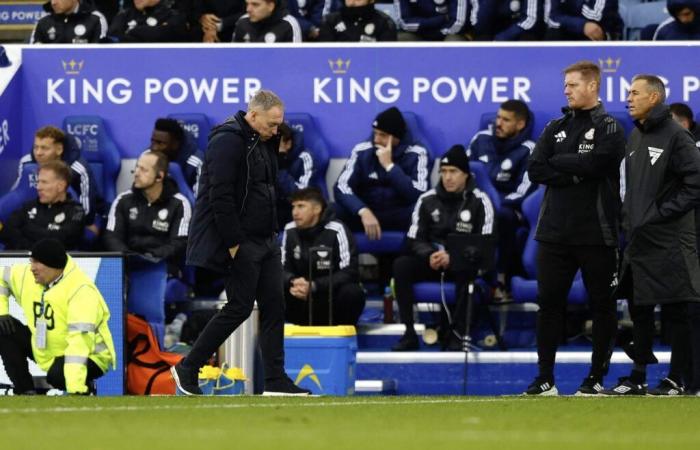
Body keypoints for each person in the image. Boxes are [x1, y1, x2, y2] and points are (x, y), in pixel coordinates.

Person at [171, 90, 310, 396]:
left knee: (275, 306)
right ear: (254, 114)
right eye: (272, 124)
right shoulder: (228, 140)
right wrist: (234, 244)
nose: (276, 130)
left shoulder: (262, 142)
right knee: (239, 307)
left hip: (266, 239)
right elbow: (219, 195)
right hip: (242, 241)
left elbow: (267, 188)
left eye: (279, 125)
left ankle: (275, 380)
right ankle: (188, 366)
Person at [525, 60, 625, 396]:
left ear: (593, 86)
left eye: (573, 85)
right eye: (565, 85)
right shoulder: (554, 126)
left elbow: (600, 163)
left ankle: (596, 378)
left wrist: (562, 163)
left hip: (597, 232)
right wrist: (575, 171)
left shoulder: (611, 126)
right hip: (554, 233)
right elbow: (536, 169)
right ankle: (545, 379)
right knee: (548, 304)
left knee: (602, 306)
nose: (566, 90)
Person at [606, 74, 700, 396]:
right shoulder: (635, 136)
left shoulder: (677, 136)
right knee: (639, 307)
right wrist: (630, 219)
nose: (628, 99)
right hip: (639, 238)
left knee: (676, 310)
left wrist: (660, 214)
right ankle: (638, 377)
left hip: (670, 238)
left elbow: (696, 183)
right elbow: (630, 188)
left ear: (654, 98)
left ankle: (678, 379)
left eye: (635, 93)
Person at [392, 145, 495, 351]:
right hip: (432, 261)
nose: (448, 177)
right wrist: (430, 254)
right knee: (401, 265)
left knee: (467, 271)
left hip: (463, 265)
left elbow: (486, 243)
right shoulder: (427, 199)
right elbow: (414, 238)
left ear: (466, 174)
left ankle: (457, 334)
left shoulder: (480, 201)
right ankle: (409, 334)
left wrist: (454, 257)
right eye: (444, 172)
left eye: (453, 172)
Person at [0, 239, 116, 395]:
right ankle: (25, 392)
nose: (31, 268)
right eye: (31, 261)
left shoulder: (81, 290)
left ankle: (87, 387)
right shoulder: (27, 276)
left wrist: (76, 387)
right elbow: (2, 276)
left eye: (37, 263)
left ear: (53, 265)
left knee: (58, 376)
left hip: (90, 355)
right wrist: (2, 310)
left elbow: (79, 342)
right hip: (47, 349)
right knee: (2, 327)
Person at [467, 99, 536, 295]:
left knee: (504, 217)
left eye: (506, 120)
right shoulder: (480, 139)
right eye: (498, 117)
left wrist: (492, 205)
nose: (498, 123)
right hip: (475, 202)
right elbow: (461, 171)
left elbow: (525, 192)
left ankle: (500, 277)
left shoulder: (529, 150)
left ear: (520, 124)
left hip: (509, 208)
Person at [334, 107, 431, 239]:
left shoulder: (417, 153)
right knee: (332, 210)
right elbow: (341, 187)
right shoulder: (362, 150)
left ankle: (410, 258)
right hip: (367, 214)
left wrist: (390, 166)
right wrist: (362, 210)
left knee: (424, 211)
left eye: (383, 135)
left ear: (397, 137)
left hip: (399, 215)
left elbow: (420, 195)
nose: (377, 140)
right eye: (375, 133)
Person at [282, 187, 366, 326]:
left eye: (301, 206)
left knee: (352, 292)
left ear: (317, 209)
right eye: (293, 207)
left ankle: (343, 335)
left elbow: (350, 272)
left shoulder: (337, 229)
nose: (295, 212)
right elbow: (280, 269)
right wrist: (293, 281)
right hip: (300, 296)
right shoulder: (289, 230)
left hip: (328, 297)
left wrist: (315, 286)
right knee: (270, 287)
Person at [103, 150, 191, 272]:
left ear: (159, 176)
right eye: (137, 167)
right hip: (127, 266)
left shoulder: (179, 204)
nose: (136, 173)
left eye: (144, 170)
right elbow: (111, 237)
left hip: (161, 268)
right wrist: (130, 257)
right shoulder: (123, 200)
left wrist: (149, 257)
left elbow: (179, 243)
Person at [12, 126, 102, 236]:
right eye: (36, 147)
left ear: (59, 149)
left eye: (45, 148)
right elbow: (17, 191)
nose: (38, 153)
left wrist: (86, 221)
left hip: (69, 216)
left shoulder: (78, 168)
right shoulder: (26, 162)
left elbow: (87, 202)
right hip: (35, 214)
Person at [0, 161, 86, 251]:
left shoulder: (76, 211)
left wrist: (26, 228)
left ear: (60, 186)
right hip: (20, 262)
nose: (38, 187)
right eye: (38, 182)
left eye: (44, 182)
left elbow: (62, 240)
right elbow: (7, 234)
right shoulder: (27, 207)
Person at [276, 122, 322, 230]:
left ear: (288, 144)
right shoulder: (259, 157)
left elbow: (304, 194)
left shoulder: (305, 158)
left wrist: (279, 168)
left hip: (293, 208)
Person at [149, 118, 204, 195]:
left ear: (175, 144)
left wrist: (178, 179)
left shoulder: (196, 162)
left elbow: (199, 202)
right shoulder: (147, 156)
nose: (154, 147)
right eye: (152, 141)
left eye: (160, 143)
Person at [108, 0, 189, 42]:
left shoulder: (173, 14)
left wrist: (133, 31)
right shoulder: (125, 14)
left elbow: (161, 35)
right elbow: (113, 37)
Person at [29, 0, 108, 44]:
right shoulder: (43, 22)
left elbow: (99, 55)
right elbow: (33, 54)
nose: (53, 3)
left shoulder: (96, 19)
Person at [318, 0, 397, 42]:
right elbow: (324, 57)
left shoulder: (384, 23)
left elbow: (387, 59)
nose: (352, 2)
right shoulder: (330, 22)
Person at [544, 0, 623, 41]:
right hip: (573, 30)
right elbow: (552, 18)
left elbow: (595, 17)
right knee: (553, 33)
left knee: (593, 31)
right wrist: (582, 25)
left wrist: (565, 9)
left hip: (601, 34)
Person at [395, 0, 469, 41]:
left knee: (454, 42)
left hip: (447, 34)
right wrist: (439, 20)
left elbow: (458, 22)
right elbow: (403, 22)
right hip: (418, 33)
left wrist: (439, 32)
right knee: (401, 39)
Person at [232, 0, 303, 42]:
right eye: (247, 4)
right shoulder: (242, 22)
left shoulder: (289, 24)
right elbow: (233, 56)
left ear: (270, 6)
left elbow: (294, 60)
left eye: (255, 4)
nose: (248, 9)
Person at [471, 0, 543, 41]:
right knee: (482, 40)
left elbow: (530, 19)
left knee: (526, 40)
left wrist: (502, 38)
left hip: (522, 32)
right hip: (495, 31)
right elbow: (479, 25)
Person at [181, 0, 246, 42]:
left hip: (234, 26)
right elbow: (191, 12)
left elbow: (247, 12)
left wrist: (218, 25)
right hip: (204, 28)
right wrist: (201, 18)